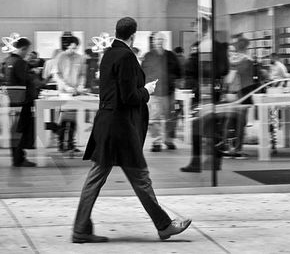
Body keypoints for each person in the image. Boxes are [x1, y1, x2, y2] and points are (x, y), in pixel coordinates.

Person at [72, 17, 191, 243]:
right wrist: (146, 90)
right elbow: (129, 97)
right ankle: (164, 226)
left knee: (97, 178)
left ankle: (80, 229)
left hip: (107, 124)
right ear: (133, 35)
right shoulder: (126, 56)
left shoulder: (108, 54)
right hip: (121, 128)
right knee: (140, 178)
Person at [180, 17, 229, 173]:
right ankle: (212, 160)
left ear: (204, 29)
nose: (195, 32)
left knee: (201, 126)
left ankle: (201, 161)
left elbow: (222, 69)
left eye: (197, 29)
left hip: (207, 93)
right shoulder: (207, 46)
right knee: (209, 126)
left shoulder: (209, 47)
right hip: (206, 92)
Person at [142, 32, 182, 152]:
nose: (159, 41)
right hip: (154, 93)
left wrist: (176, 82)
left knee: (171, 117)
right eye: (156, 39)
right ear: (153, 41)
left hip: (169, 92)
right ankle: (156, 142)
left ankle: (169, 140)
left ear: (164, 41)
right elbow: (142, 73)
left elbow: (178, 71)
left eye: (161, 39)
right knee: (154, 118)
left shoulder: (171, 55)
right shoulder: (148, 56)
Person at [3, 38, 37, 167]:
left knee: (14, 130)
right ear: (23, 49)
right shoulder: (20, 63)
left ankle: (17, 158)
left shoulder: (6, 61)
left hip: (10, 102)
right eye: (27, 51)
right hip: (22, 102)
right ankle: (19, 159)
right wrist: (32, 74)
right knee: (22, 130)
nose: (27, 54)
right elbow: (26, 80)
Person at [54, 36, 86, 153]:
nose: (73, 50)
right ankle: (62, 143)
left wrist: (80, 85)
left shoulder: (80, 58)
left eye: (75, 48)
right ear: (67, 46)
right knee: (64, 117)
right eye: (71, 48)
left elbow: (82, 74)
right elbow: (57, 74)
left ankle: (71, 143)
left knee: (73, 118)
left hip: (76, 92)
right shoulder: (60, 57)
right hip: (64, 92)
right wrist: (65, 87)